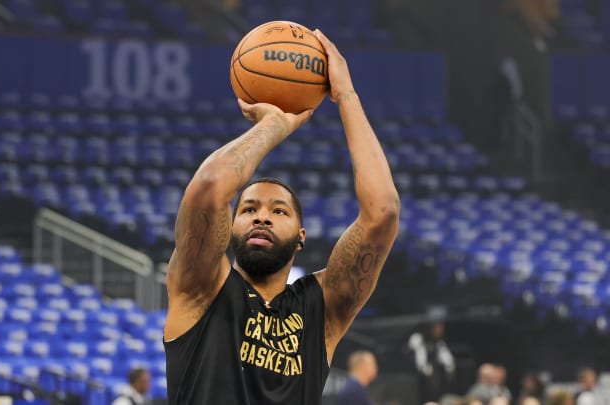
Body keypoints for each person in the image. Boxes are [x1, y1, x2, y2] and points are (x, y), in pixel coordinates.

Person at [163, 29, 400, 405]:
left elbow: (382, 213)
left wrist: (346, 97)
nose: (262, 218)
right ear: (230, 226)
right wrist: (272, 125)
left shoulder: (321, 311)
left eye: (279, 211)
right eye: (249, 208)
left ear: (301, 236)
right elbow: (208, 188)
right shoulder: (202, 287)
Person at [408, 321, 456, 403]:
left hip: (435, 377)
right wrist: (429, 373)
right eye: (438, 328)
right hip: (416, 377)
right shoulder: (419, 338)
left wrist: (450, 369)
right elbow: (420, 361)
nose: (440, 331)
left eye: (442, 328)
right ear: (431, 328)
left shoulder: (439, 342)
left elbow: (447, 358)